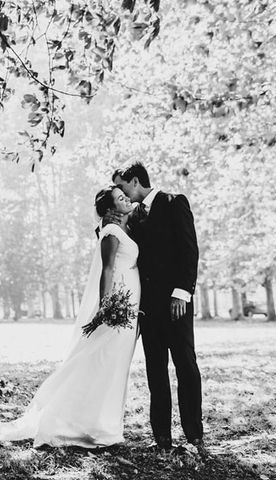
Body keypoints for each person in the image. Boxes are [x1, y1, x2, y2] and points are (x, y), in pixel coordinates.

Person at [0, 185, 141, 448]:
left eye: (126, 197)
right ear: (111, 209)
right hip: (117, 307)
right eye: (120, 199)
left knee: (115, 365)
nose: (127, 200)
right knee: (103, 363)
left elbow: (137, 210)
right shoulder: (111, 232)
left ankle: (103, 423)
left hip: (129, 308)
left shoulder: (123, 226)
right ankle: (85, 424)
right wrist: (106, 306)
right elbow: (107, 270)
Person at [111, 161, 203, 451]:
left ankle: (194, 434)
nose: (120, 192)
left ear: (135, 181)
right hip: (148, 308)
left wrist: (181, 293)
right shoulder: (134, 216)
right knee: (155, 370)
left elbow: (190, 251)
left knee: (186, 366)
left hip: (176, 304)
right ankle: (161, 436)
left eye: (122, 186)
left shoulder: (174, 203)